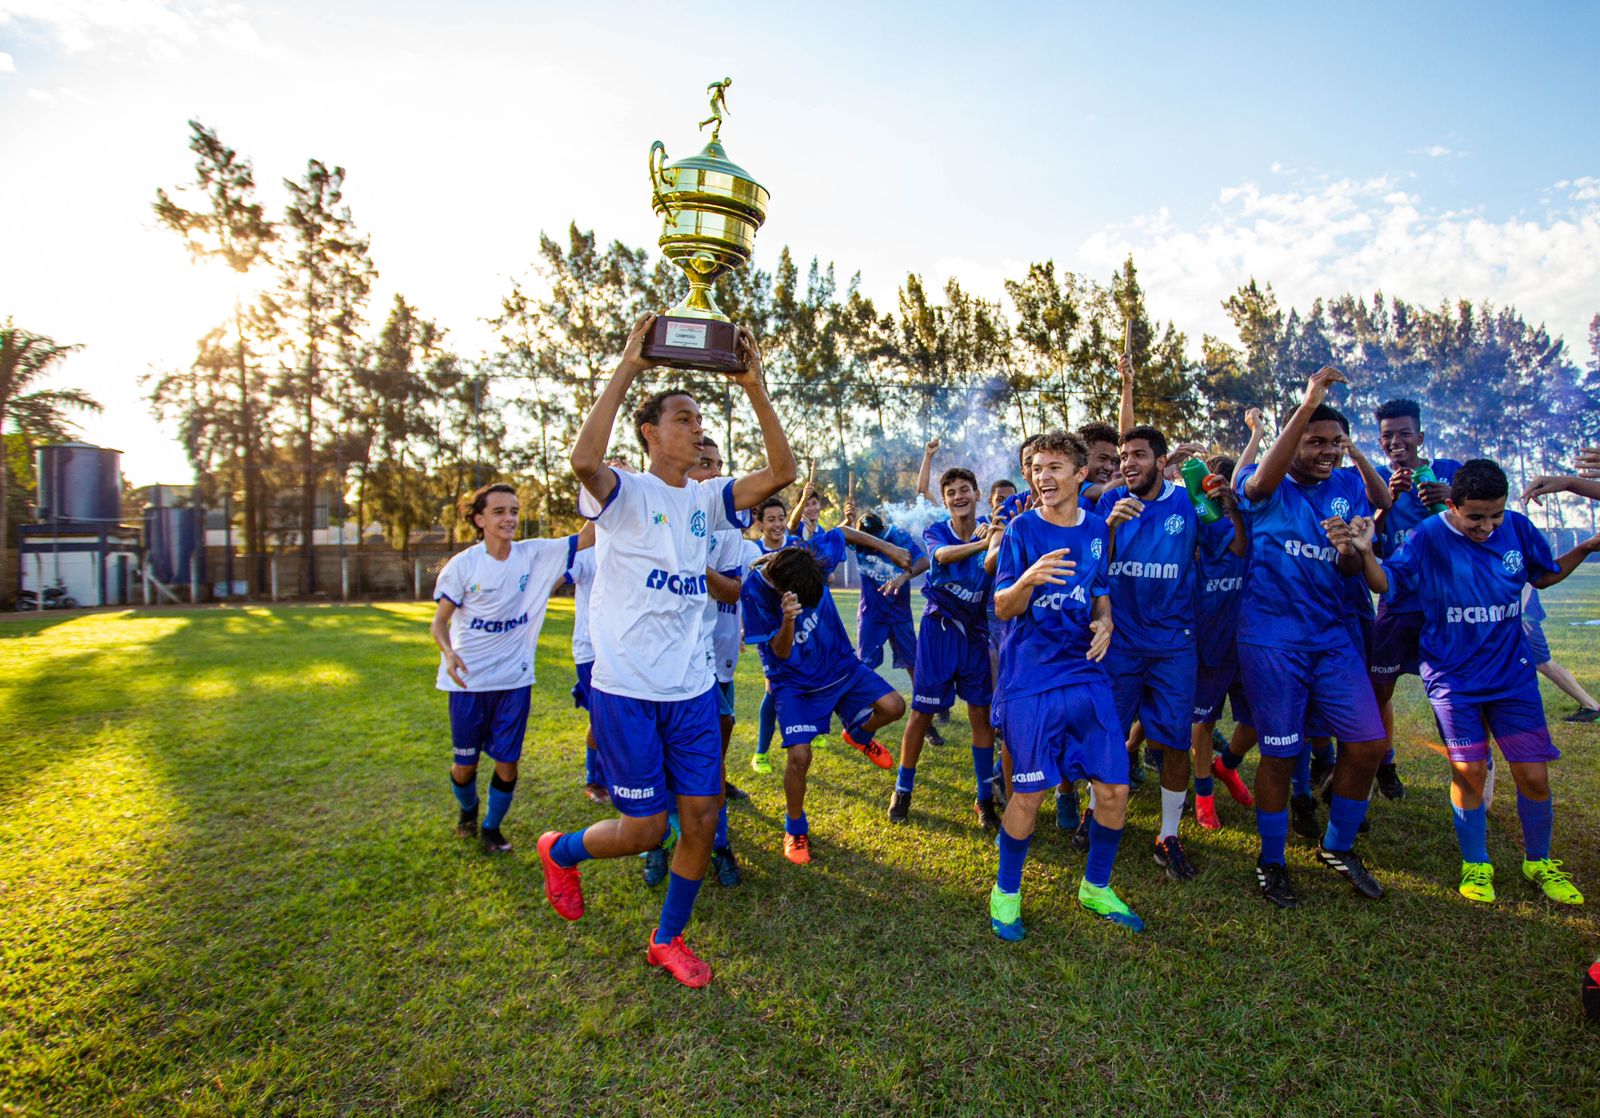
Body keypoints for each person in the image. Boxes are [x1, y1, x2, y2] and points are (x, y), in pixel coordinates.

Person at [536, 316, 795, 989]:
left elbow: (783, 471)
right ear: (650, 433)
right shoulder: (625, 492)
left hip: (689, 687)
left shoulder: (710, 498)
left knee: (702, 821)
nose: (696, 428)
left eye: (701, 420)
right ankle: (559, 850)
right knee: (646, 828)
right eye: (682, 418)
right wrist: (629, 364)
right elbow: (582, 460)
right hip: (625, 687)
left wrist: (754, 387)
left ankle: (667, 939)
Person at [1349, 459, 1595, 905]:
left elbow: (1544, 574)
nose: (1487, 526)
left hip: (1512, 678)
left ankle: (1538, 861)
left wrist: (1591, 544)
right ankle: (1476, 864)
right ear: (1454, 505)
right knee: (1470, 772)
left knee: (1534, 777)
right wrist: (1367, 552)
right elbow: (1386, 582)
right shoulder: (1429, 537)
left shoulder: (1517, 530)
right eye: (1476, 516)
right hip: (1454, 680)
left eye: (1495, 515)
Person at [1235, 366, 1393, 909]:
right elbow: (1256, 485)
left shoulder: (1347, 487)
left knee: (1368, 744)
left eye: (1333, 443)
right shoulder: (1263, 481)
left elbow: (1349, 571)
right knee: (1281, 752)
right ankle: (1272, 859)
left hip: (1331, 636)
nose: (1327, 452)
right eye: (1314, 441)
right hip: (1271, 640)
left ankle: (1338, 846)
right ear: (1293, 438)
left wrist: (1351, 549)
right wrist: (1307, 402)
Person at [989, 430, 1141, 938]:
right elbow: (1001, 607)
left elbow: (1099, 593)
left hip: (1084, 670)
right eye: (1036, 468)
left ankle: (1095, 886)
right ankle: (1006, 893)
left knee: (1115, 789)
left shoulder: (1097, 530)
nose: (1042, 476)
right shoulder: (1020, 531)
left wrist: (1106, 621)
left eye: (1055, 467)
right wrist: (1027, 579)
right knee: (1028, 794)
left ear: (1080, 474)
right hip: (1031, 676)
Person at [1095, 424, 1243, 879]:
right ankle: (1094, 814)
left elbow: (1229, 549)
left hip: (1174, 644)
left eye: (1138, 455)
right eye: (1124, 456)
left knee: (1175, 742)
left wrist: (1228, 508)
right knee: (1108, 737)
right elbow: (1092, 564)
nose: (1128, 463)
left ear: (1161, 462)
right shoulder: (1109, 505)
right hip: (1120, 643)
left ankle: (1168, 834)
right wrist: (1111, 530)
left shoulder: (1187, 503)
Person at [432, 483, 581, 854]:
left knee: (508, 764)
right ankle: (468, 810)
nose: (509, 518)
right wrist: (448, 653)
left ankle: (491, 828)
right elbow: (439, 622)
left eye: (514, 511)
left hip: (514, 681)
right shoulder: (463, 565)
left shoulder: (534, 555)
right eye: (499, 512)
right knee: (464, 767)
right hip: (468, 683)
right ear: (480, 519)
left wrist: (610, 486)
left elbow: (587, 536)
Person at [743, 546, 905, 863]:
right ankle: (795, 829)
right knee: (799, 756)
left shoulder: (811, 555)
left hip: (839, 665)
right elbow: (780, 653)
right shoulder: (755, 591)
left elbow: (843, 533)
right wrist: (788, 619)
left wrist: (889, 550)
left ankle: (857, 735)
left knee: (894, 706)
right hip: (793, 681)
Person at [889, 467, 1002, 829]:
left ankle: (985, 799)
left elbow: (997, 563)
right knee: (922, 714)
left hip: (975, 633)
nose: (958, 496)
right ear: (946, 499)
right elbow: (941, 557)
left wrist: (997, 536)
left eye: (964, 489)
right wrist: (985, 543)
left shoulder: (991, 525)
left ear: (977, 492)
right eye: (951, 492)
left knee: (980, 716)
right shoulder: (937, 530)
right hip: (939, 631)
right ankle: (902, 790)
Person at [1369, 398, 1464, 799]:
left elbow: (1479, 528)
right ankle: (1384, 764)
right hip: (1397, 604)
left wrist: (1449, 500)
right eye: (1388, 436)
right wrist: (1384, 506)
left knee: (1454, 693)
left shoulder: (1448, 473)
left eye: (1404, 433)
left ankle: (1472, 769)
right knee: (1379, 688)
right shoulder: (1373, 479)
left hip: (1444, 607)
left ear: (1420, 436)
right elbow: (1368, 547)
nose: (1396, 442)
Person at [688, 435, 750, 888]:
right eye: (703, 463)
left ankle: (719, 841)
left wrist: (691, 562)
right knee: (688, 760)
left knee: (713, 756)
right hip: (671, 662)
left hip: (718, 659)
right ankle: (669, 844)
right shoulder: (656, 513)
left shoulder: (726, 529)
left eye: (718, 465)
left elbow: (732, 590)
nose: (713, 473)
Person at [1187, 453, 1254, 830]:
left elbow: (1242, 548)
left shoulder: (1248, 523)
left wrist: (1236, 509)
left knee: (1258, 719)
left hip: (1247, 643)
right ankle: (1203, 795)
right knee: (1203, 723)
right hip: (1207, 643)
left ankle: (1226, 765)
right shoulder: (1198, 525)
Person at [1521, 471, 1600, 722]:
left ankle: (1592, 705)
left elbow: (1528, 578)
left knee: (1543, 662)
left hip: (1524, 613)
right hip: (1518, 612)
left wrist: (1521, 613)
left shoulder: (1513, 531)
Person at [749, 496, 792, 775]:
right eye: (771, 519)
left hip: (797, 624)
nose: (777, 524)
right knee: (773, 686)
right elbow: (745, 583)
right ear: (761, 524)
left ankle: (810, 732)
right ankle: (761, 753)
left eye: (781, 518)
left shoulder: (796, 546)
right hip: (768, 628)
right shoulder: (752, 551)